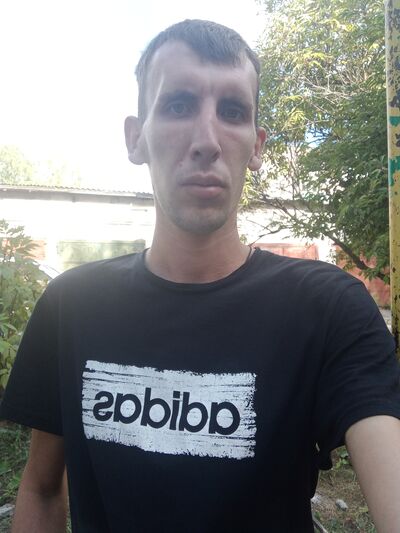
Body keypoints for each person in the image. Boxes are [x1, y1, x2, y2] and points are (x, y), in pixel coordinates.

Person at [1, 18, 400, 533]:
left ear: (256, 146)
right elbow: (39, 488)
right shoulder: (71, 306)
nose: (207, 140)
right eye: (178, 105)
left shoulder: (326, 308)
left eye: (232, 111)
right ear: (136, 138)